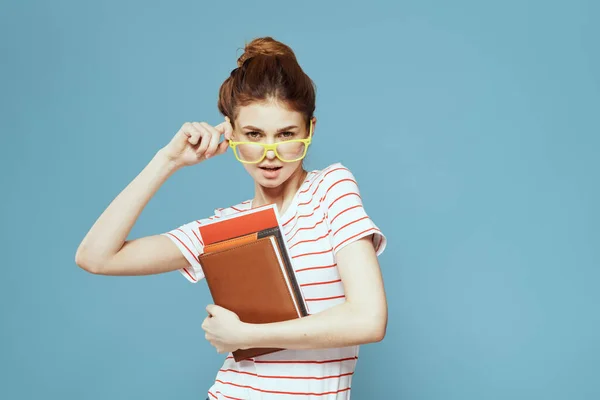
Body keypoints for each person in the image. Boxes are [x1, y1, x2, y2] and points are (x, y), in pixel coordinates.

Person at [76, 36, 388, 400]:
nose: (269, 154)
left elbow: (368, 319)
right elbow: (95, 257)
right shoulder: (226, 228)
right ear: (232, 132)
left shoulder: (330, 189)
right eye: (254, 134)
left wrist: (248, 336)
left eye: (286, 134)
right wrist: (168, 161)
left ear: (310, 130)